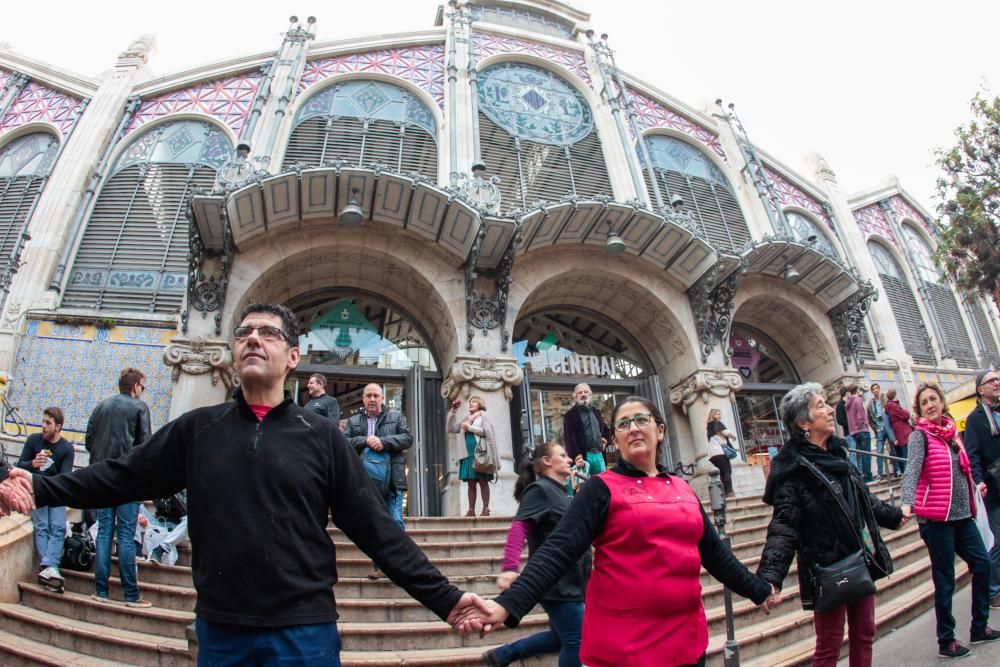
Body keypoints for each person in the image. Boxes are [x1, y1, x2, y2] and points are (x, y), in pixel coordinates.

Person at [28, 303, 486, 665]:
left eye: (268, 333)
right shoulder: (197, 430)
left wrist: (445, 599)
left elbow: (378, 531)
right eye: (245, 332)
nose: (253, 338)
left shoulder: (322, 436)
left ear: (292, 358)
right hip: (221, 630)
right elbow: (120, 476)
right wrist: (39, 487)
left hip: (304, 633)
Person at [454, 396, 779, 667]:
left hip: (687, 640)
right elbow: (556, 552)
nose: (633, 428)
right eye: (623, 424)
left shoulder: (682, 487)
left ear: (660, 430)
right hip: (626, 647)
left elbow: (715, 555)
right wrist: (507, 604)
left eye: (641, 420)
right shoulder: (600, 488)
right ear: (616, 438)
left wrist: (758, 589)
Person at [757, 383, 905, 667]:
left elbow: (864, 500)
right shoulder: (792, 469)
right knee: (829, 646)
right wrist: (770, 577)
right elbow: (784, 526)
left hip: (859, 557)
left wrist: (894, 516)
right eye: (821, 405)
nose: (829, 410)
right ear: (803, 422)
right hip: (826, 568)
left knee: (865, 633)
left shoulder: (838, 454)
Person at [900, 382, 997, 658]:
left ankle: (979, 627)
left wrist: (975, 484)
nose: (930, 405)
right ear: (919, 410)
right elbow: (911, 472)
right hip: (935, 519)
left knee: (983, 564)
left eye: (934, 399)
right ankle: (946, 640)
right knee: (945, 581)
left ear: (942, 402)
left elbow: (962, 468)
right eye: (924, 402)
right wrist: (907, 503)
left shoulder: (952, 432)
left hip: (963, 515)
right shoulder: (920, 437)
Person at [483, 442, 590, 667]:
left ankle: (503, 655)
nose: (570, 459)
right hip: (556, 582)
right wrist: (510, 567)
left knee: (560, 638)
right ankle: (504, 654)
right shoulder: (540, 490)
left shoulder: (561, 493)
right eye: (563, 455)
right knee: (576, 641)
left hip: (573, 581)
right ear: (547, 461)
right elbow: (519, 527)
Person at [85, 367, 152, 607]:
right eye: (143, 387)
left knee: (104, 532)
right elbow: (145, 447)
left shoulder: (101, 406)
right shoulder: (139, 408)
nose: (142, 392)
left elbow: (89, 440)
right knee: (125, 536)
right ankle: (131, 595)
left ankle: (101, 591)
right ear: (135, 386)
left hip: (102, 478)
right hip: (128, 480)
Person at [16, 407, 74, 592]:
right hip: (37, 491)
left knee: (57, 527)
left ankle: (48, 568)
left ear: (58, 427)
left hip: (56, 493)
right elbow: (19, 466)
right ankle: (51, 569)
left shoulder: (66, 448)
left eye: (48, 423)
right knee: (42, 527)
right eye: (43, 422)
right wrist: (33, 464)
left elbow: (66, 476)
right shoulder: (34, 441)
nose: (43, 426)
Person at [344, 383, 413, 531]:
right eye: (368, 396)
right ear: (363, 399)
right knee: (365, 525)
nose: (372, 399)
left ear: (382, 398)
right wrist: (365, 440)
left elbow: (408, 438)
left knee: (395, 524)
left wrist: (384, 442)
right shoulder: (353, 421)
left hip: (392, 481)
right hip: (362, 481)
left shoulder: (396, 417)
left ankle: (396, 554)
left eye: (376, 396)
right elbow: (343, 443)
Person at [960, 369, 1000, 609]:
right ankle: (994, 591)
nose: (996, 383)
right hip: (994, 489)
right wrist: (978, 481)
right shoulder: (975, 418)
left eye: (998, 379)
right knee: (996, 542)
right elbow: (972, 453)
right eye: (991, 380)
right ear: (980, 389)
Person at [447, 396, 496, 517]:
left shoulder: (484, 416)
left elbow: (486, 432)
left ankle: (485, 509)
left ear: (479, 404)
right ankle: (471, 510)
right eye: (470, 402)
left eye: (473, 402)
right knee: (471, 483)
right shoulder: (466, 419)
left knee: (483, 481)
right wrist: (453, 411)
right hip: (467, 454)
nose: (470, 403)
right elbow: (451, 428)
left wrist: (470, 428)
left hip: (480, 452)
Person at [561, 383, 611, 474]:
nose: (583, 394)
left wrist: (604, 441)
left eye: (585, 392)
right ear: (575, 396)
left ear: (590, 394)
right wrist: (577, 456)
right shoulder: (570, 415)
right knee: (583, 486)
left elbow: (606, 431)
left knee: (601, 484)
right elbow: (569, 438)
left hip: (598, 455)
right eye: (580, 393)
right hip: (583, 457)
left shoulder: (596, 412)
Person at [706, 408, 738, 498]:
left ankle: (722, 493)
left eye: (719, 414)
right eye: (717, 414)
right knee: (727, 472)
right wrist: (734, 437)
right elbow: (726, 432)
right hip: (720, 452)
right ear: (713, 415)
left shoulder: (709, 427)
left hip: (712, 455)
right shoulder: (717, 423)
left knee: (721, 473)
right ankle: (729, 493)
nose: (719, 416)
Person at [846, 385, 872, 482]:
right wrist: (864, 425)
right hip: (862, 430)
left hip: (854, 432)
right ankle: (868, 477)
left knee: (861, 454)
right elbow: (860, 415)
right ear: (857, 390)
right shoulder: (858, 400)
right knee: (867, 455)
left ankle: (864, 477)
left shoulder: (848, 403)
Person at [884, 388, 912, 475]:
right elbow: (906, 415)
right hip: (903, 433)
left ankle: (906, 474)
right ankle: (909, 475)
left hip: (900, 434)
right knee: (907, 457)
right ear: (894, 395)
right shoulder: (893, 406)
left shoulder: (889, 407)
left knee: (904, 457)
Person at [866, 383, 889, 481]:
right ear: (871, 391)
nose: (875, 390)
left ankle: (897, 471)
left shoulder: (884, 399)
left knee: (892, 449)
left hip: (888, 427)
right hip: (880, 430)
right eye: (873, 389)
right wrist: (876, 428)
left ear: (879, 389)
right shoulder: (870, 404)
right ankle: (879, 474)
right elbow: (869, 420)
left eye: (876, 388)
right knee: (879, 452)